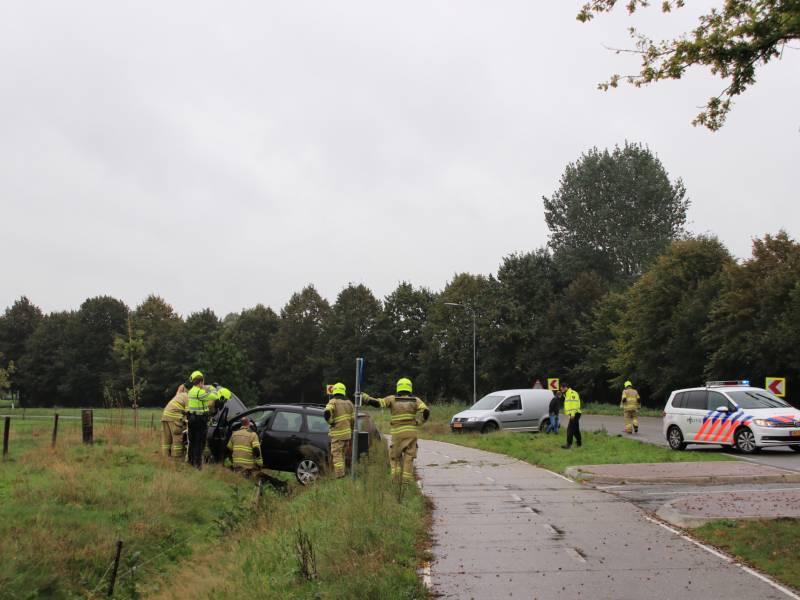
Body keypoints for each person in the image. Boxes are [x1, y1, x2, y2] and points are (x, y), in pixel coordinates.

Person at [363, 377, 430, 484]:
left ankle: (395, 480)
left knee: (395, 457)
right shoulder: (416, 400)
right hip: (411, 434)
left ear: (398, 387)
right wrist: (420, 422)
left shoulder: (392, 399)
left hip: (397, 434)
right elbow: (426, 411)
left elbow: (378, 403)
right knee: (409, 457)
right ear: (410, 388)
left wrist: (366, 398)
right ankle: (406, 482)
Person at [186, 370, 219, 469]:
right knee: (200, 442)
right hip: (200, 420)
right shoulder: (199, 393)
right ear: (200, 382)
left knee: (192, 442)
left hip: (191, 419)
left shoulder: (191, 391)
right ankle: (198, 465)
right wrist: (213, 388)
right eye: (203, 383)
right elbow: (214, 396)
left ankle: (191, 462)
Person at [324, 382, 355, 478]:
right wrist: (350, 430)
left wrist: (331, 422)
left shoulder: (333, 401)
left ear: (334, 390)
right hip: (347, 435)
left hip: (337, 434)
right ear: (343, 391)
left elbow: (326, 413)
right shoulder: (350, 403)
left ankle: (339, 476)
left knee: (337, 455)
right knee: (342, 455)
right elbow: (353, 419)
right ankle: (343, 473)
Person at [160, 384, 188, 459]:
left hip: (165, 417)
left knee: (166, 438)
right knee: (177, 437)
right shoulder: (187, 396)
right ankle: (177, 458)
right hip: (174, 418)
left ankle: (165, 457)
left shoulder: (177, 396)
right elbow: (188, 412)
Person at [560, 382, 582, 449]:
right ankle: (579, 443)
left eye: (562, 388)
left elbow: (574, 405)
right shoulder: (567, 394)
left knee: (570, 429)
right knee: (575, 430)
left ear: (565, 387)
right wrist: (569, 414)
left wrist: (572, 414)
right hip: (573, 414)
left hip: (575, 413)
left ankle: (568, 444)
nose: (561, 390)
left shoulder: (572, 393)